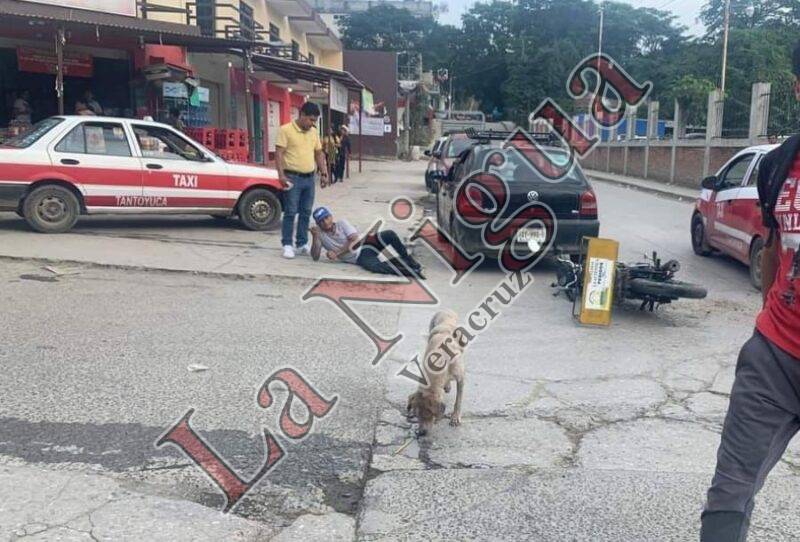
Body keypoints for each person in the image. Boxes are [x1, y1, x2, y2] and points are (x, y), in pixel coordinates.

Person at [701, 41, 800, 541]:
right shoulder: (781, 163)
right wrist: (769, 324)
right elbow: (775, 247)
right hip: (775, 358)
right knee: (728, 496)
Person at [275, 101, 328, 259]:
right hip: (292, 177)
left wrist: (324, 173)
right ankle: (287, 244)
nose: (312, 123)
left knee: (306, 212)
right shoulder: (285, 130)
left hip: (309, 178)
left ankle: (301, 242)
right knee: (291, 211)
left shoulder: (313, 132)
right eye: (311, 119)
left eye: (315, 121)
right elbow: (279, 154)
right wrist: (281, 175)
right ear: (302, 115)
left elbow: (318, 153)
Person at [309, 206, 424, 279]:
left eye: (326, 218)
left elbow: (355, 240)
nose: (325, 222)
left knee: (390, 234)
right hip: (359, 257)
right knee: (374, 266)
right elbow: (315, 257)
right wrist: (314, 237)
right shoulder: (320, 235)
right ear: (318, 224)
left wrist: (337, 253)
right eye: (321, 221)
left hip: (366, 244)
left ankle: (409, 260)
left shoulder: (342, 223)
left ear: (331, 217)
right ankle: (409, 271)